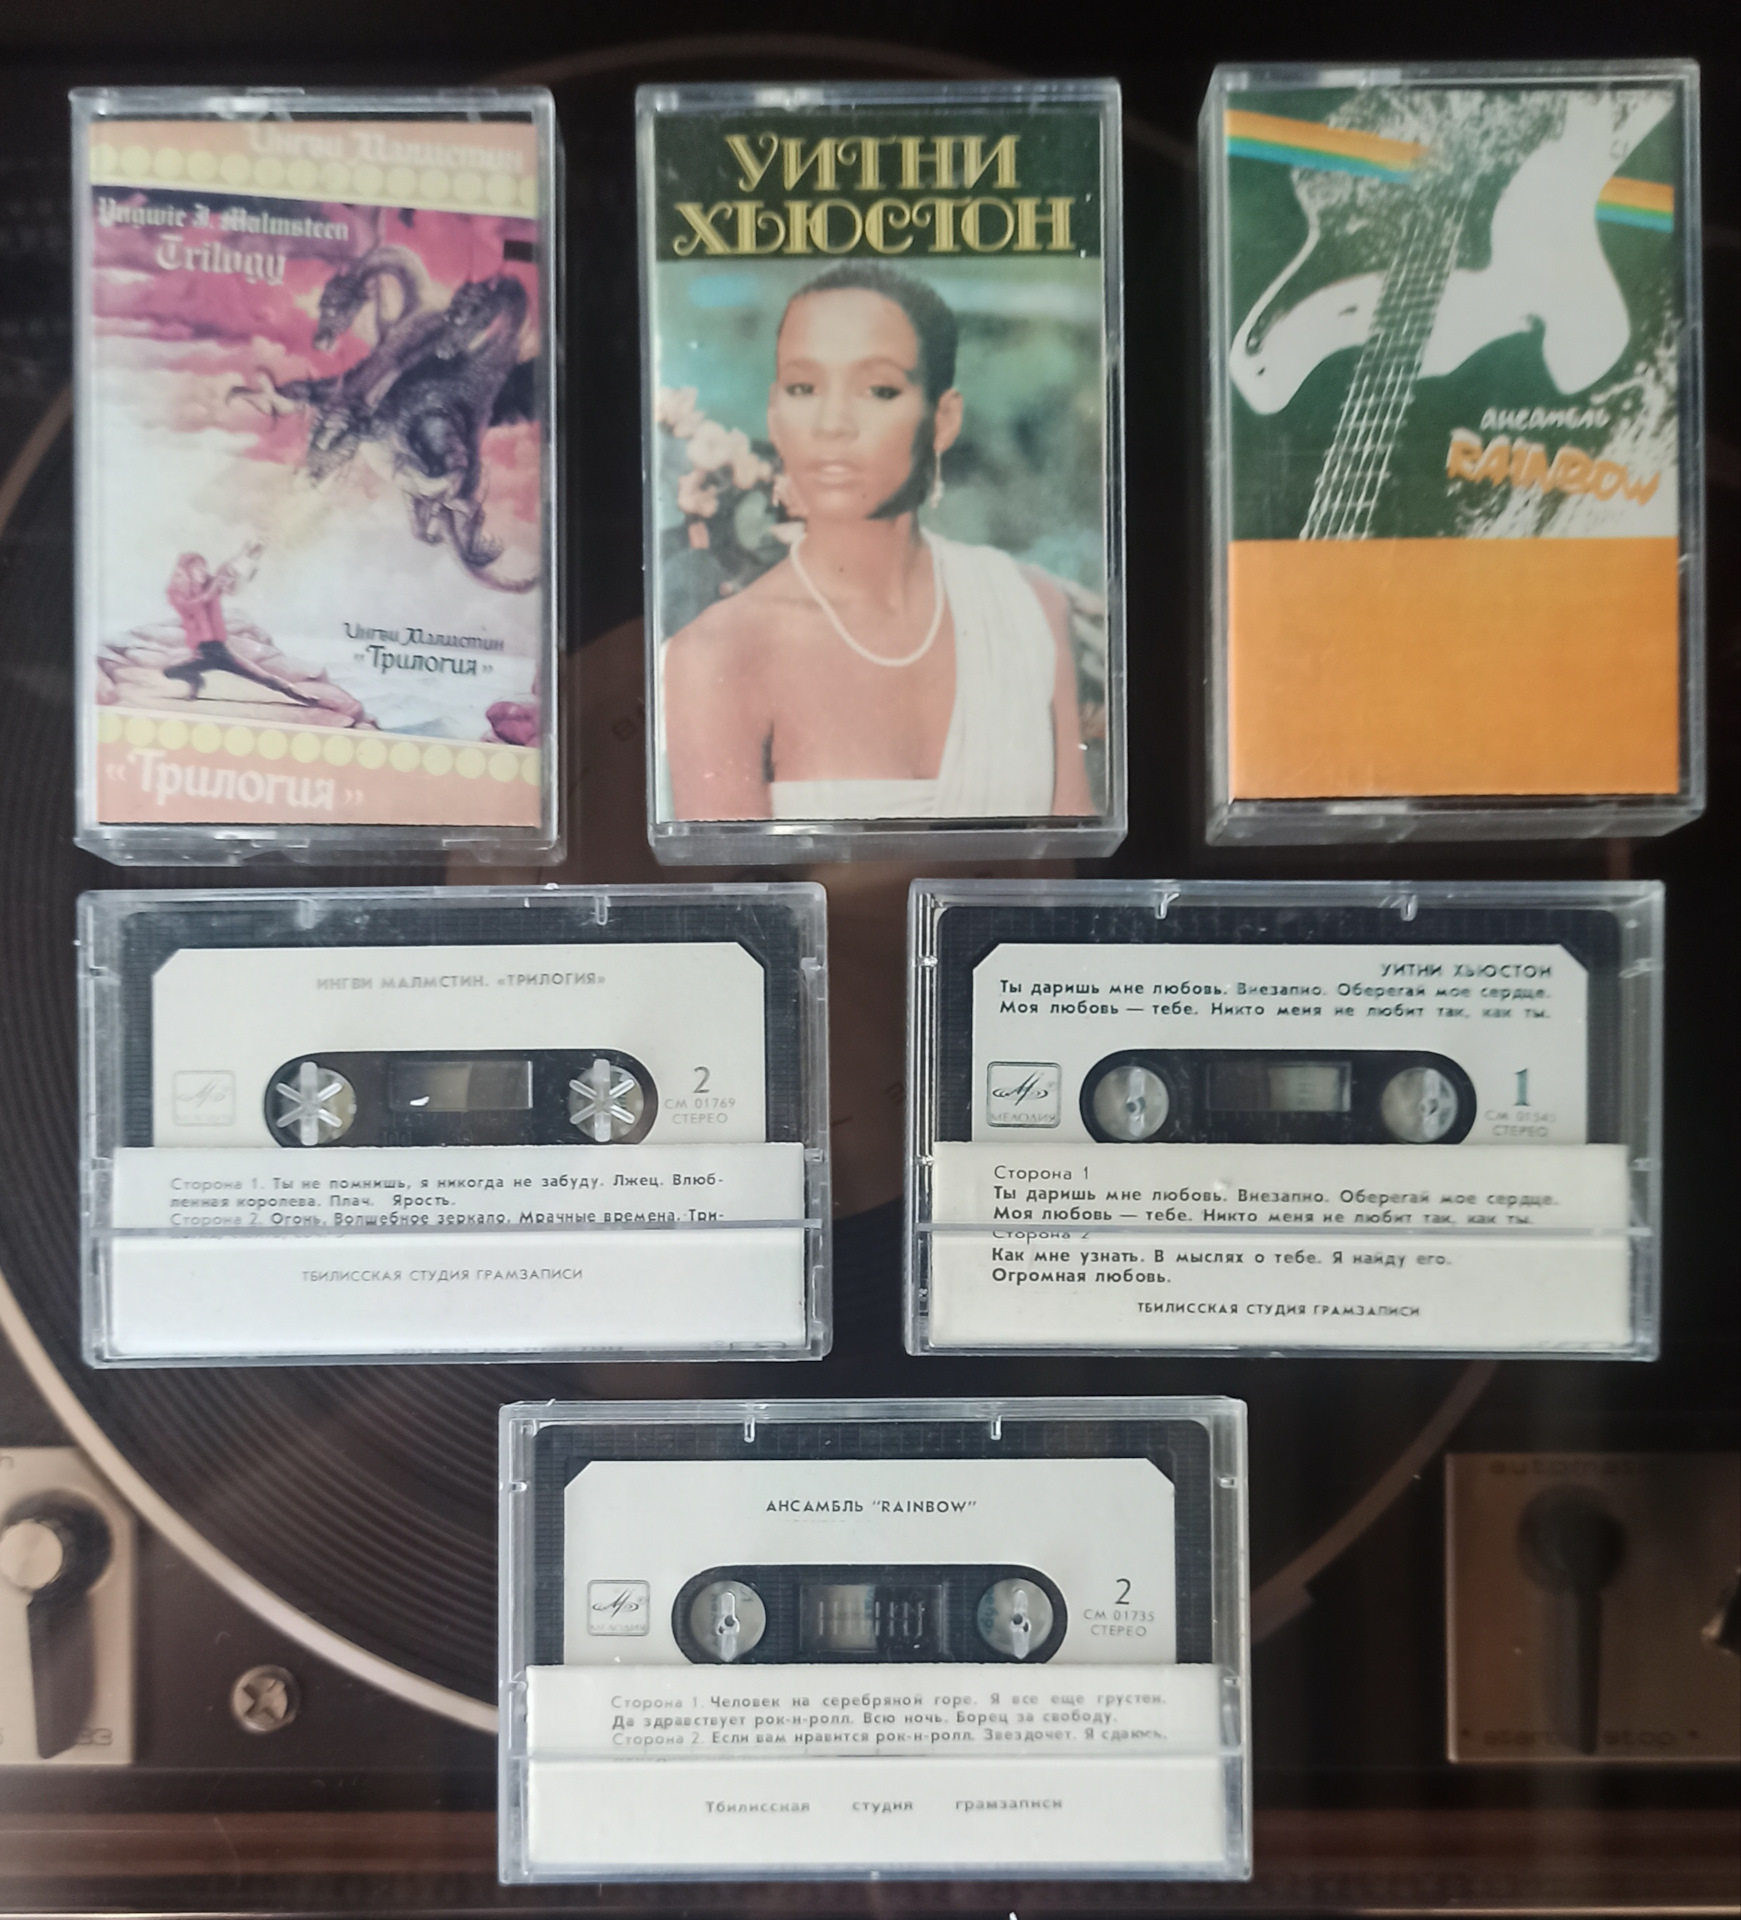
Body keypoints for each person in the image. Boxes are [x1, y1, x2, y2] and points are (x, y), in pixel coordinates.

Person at [661, 263, 1094, 821]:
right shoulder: (716, 653)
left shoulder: (1030, 608)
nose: (832, 423)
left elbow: (1067, 862)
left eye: (878, 389)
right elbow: (721, 876)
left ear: (943, 419)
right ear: (774, 413)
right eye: (803, 387)